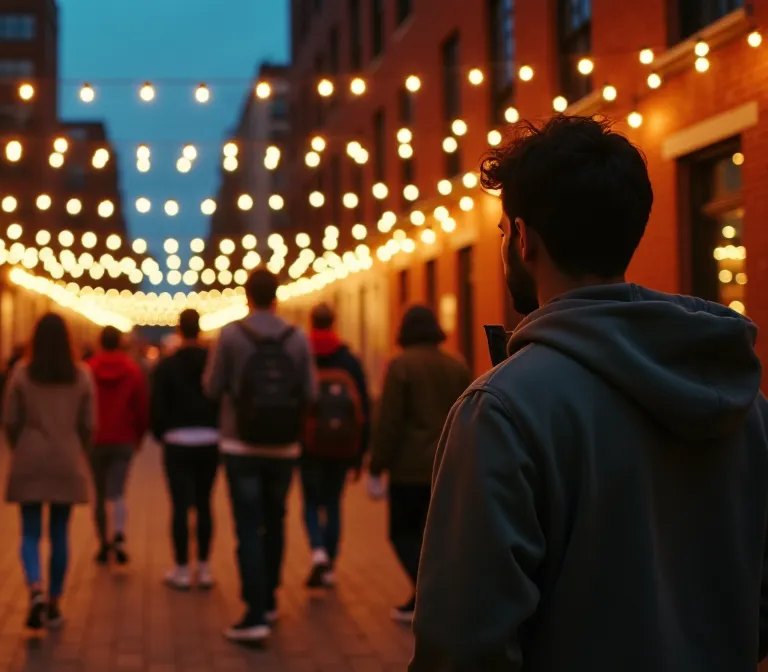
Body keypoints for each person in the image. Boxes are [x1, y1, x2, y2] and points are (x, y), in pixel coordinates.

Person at [411, 115, 768, 670]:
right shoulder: (746, 401)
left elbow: (462, 645)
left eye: (504, 231)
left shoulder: (501, 411)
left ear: (524, 239)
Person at [203, 269, 315, 643]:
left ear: (246, 296)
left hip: (240, 444)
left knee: (247, 526)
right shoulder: (297, 336)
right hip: (284, 446)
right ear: (277, 296)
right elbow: (311, 392)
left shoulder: (232, 335)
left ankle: (253, 613)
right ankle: (269, 601)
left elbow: (212, 386)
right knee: (277, 520)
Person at [366, 304, 470, 624]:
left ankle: (428, 596)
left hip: (408, 470)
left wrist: (376, 465)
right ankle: (428, 596)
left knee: (402, 534)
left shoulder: (401, 366)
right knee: (435, 535)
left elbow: (389, 421)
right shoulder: (457, 365)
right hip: (448, 465)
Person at [2, 313, 95, 631]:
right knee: (60, 534)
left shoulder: (22, 373)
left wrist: (21, 445)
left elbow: (10, 419)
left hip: (30, 456)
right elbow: (88, 424)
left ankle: (36, 589)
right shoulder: (81, 375)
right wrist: (75, 447)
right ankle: (55, 602)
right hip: (66, 458)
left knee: (29, 532)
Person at [299, 303, 372, 589]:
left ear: (311, 322)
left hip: (309, 445)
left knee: (310, 502)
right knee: (333, 503)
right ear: (334, 322)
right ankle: (329, 565)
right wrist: (361, 453)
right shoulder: (349, 360)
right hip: (343, 444)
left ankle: (316, 550)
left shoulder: (304, 355)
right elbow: (363, 407)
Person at [150, 309, 221, 590]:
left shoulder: (167, 366)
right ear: (199, 330)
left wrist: (162, 433)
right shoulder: (211, 363)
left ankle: (181, 568)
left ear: (179, 331)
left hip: (177, 441)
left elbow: (157, 405)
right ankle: (204, 567)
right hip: (209, 440)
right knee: (205, 504)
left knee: (179, 506)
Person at [85, 325, 149, 565]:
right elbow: (141, 406)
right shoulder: (132, 370)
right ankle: (119, 535)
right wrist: (140, 435)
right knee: (118, 491)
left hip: (95, 439)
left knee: (99, 493)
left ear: (100, 342)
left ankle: (103, 542)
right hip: (123, 438)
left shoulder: (89, 369)